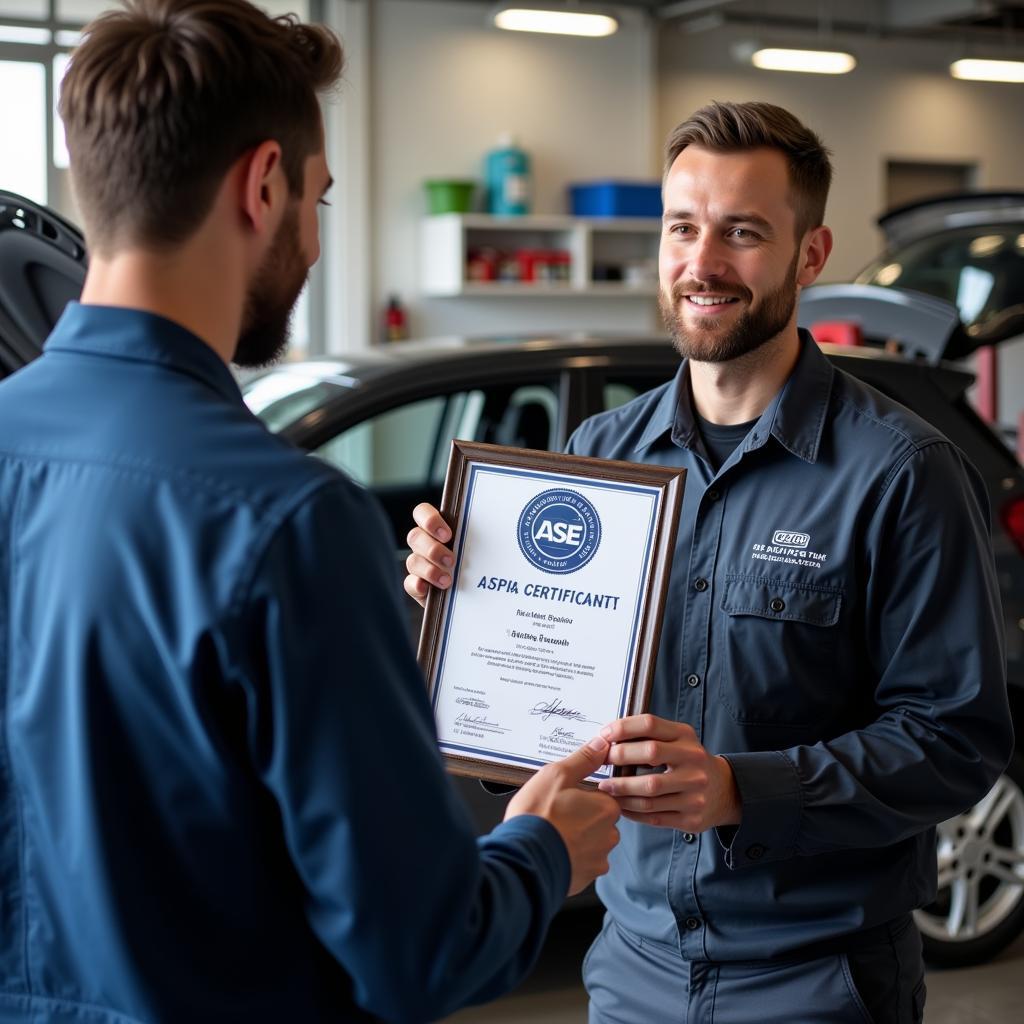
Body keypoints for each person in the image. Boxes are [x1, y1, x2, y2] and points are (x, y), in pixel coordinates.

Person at [0, 2, 622, 1022]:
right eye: (319, 199)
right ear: (263, 184)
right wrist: (541, 848)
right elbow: (418, 952)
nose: (314, 238)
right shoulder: (284, 519)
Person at [404, 100, 1013, 1023]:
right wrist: (465, 607)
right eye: (682, 228)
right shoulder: (602, 455)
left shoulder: (901, 472)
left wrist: (744, 790)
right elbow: (554, 710)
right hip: (631, 963)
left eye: (743, 232)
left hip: (819, 981)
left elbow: (955, 741)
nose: (703, 264)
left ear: (810, 255)